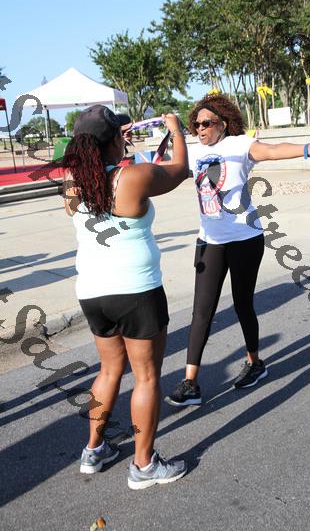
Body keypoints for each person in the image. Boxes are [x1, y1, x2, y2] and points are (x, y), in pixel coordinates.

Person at [165, 94, 310, 406]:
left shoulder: (239, 145)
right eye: (195, 124)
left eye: (207, 123)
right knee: (201, 311)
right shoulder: (193, 152)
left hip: (245, 238)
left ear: (223, 124)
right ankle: (190, 382)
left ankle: (255, 362)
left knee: (242, 304)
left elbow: (273, 151)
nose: (200, 129)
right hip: (209, 240)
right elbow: (163, 171)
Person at [62, 104, 188, 489]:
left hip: (93, 292)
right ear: (113, 139)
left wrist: (114, 144)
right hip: (135, 291)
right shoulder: (132, 177)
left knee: (108, 370)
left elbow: (99, 173)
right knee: (146, 377)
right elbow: (180, 169)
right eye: (119, 134)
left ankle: (94, 450)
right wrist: (175, 129)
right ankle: (144, 465)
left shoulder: (73, 184)